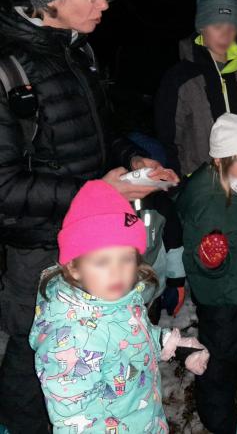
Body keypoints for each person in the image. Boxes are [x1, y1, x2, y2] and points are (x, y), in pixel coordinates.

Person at [0, 0, 178, 431]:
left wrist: (132, 158)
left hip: (99, 239)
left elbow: (102, 134)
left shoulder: (80, 51)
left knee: (104, 347)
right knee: (31, 366)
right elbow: (3, 190)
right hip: (40, 253)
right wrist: (96, 193)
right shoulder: (8, 67)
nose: (104, 4)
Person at [29, 180, 209, 432]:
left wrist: (166, 342)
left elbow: (128, 335)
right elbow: (73, 419)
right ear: (74, 267)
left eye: (125, 259)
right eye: (102, 261)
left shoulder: (119, 298)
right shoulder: (72, 339)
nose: (117, 272)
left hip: (142, 418)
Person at [176, 113, 237, 433]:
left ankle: (226, 383)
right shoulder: (209, 199)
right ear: (219, 159)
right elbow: (200, 256)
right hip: (222, 295)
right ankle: (217, 417)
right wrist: (210, 260)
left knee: (229, 348)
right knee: (218, 357)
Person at [155, 0, 237, 177]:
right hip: (200, 184)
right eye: (217, 26)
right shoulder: (180, 78)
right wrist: (181, 183)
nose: (226, 34)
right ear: (201, 27)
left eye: (232, 26)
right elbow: (169, 139)